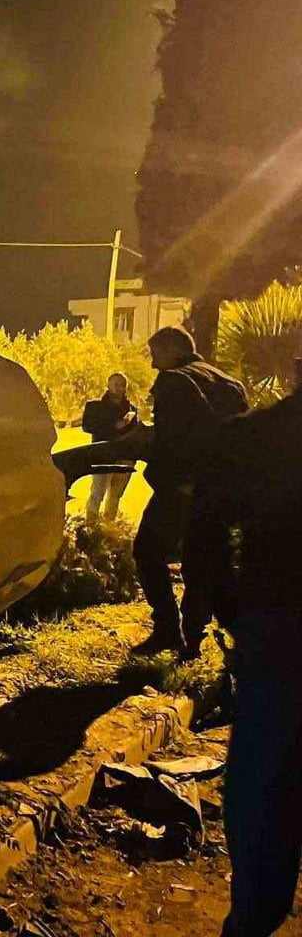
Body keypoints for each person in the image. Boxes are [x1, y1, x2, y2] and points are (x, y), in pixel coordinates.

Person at [211, 362, 302, 936]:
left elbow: (206, 533)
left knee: (265, 777)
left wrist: (233, 612)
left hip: (275, 623)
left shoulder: (255, 435)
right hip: (271, 622)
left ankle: (254, 916)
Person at [133, 325, 247, 658]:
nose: (154, 364)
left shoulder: (175, 380)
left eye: (155, 355)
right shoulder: (229, 383)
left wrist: (168, 476)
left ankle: (167, 629)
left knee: (148, 551)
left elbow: (175, 439)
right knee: (202, 561)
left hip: (182, 487)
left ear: (171, 350)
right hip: (220, 490)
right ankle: (194, 637)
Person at [80, 372, 138, 522]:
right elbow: (87, 426)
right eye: (116, 384)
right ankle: (90, 527)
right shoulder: (95, 407)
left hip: (125, 458)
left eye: (123, 385)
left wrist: (132, 459)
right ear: (108, 385)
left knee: (115, 496)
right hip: (103, 455)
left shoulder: (131, 409)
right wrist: (113, 426)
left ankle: (108, 529)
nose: (120, 388)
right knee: (97, 493)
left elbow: (134, 435)